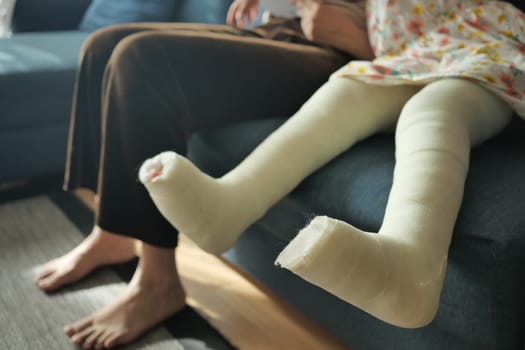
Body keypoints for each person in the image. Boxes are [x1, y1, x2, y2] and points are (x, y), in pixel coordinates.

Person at [139, 0, 525, 330]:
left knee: (433, 111)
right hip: (408, 60)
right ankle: (227, 206)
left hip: (485, 52)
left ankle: (411, 268)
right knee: (342, 93)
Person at [34, 0, 369, 348]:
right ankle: (111, 233)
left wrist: (353, 36)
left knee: (142, 59)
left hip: (344, 55)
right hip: (286, 27)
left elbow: (424, 52)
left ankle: (158, 284)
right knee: (102, 45)